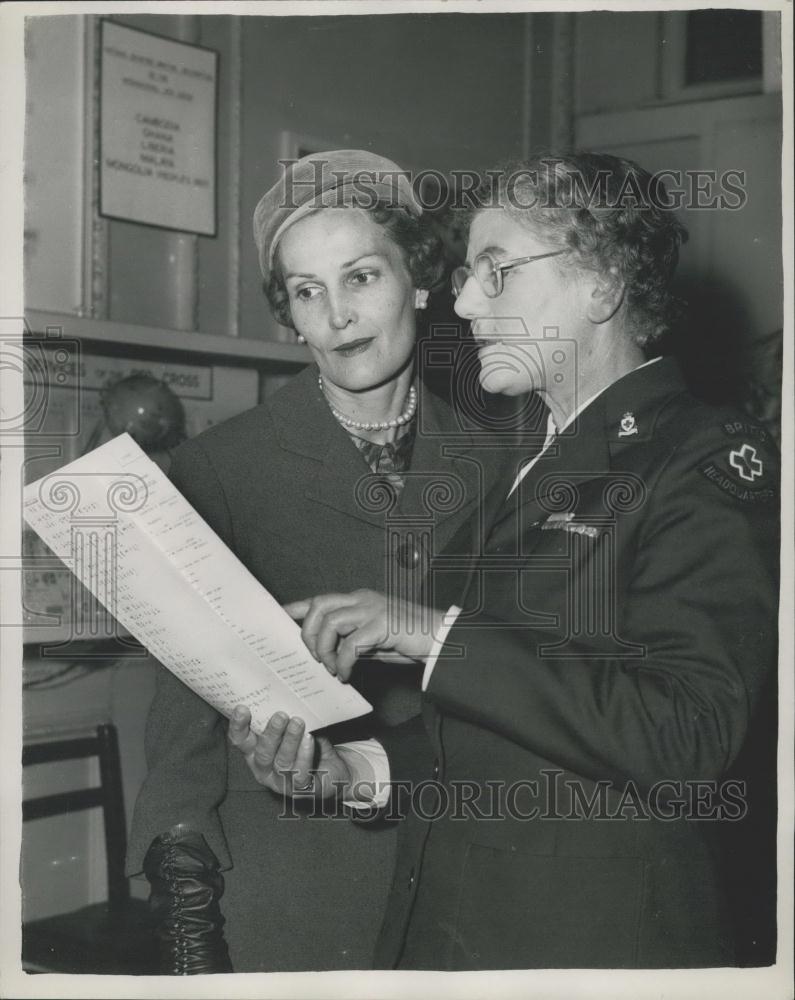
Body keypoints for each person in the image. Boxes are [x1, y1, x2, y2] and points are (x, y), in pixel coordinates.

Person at [229, 152, 780, 969]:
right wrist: (351, 773)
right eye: (462, 275)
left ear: (602, 284)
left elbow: (687, 735)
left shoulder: (694, 460)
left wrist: (433, 634)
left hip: (592, 949)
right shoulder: (526, 462)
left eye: (496, 273)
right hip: (458, 933)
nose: (460, 302)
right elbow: (493, 743)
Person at [126, 150, 509, 973]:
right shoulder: (225, 466)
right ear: (290, 316)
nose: (337, 316)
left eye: (361, 277)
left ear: (419, 281)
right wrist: (185, 882)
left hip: (462, 874)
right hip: (294, 884)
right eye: (307, 292)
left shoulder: (500, 461)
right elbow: (182, 718)